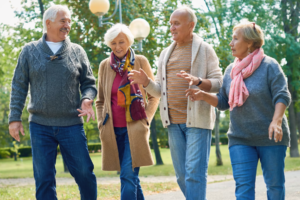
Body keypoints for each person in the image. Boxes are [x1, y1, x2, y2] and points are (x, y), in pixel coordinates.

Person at [185, 22, 291, 200]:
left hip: (271, 136)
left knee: (274, 186)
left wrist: (277, 120)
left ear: (249, 42)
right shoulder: (231, 71)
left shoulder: (269, 66)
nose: (231, 43)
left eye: (235, 39)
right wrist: (204, 95)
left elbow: (282, 95)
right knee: (243, 189)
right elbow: (224, 102)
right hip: (240, 138)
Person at [128, 6, 222, 200]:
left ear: (191, 25)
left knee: (194, 174)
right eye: (170, 24)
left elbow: (219, 83)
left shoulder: (205, 50)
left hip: (197, 122)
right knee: (181, 175)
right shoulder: (165, 54)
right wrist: (145, 82)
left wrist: (198, 82)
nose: (172, 28)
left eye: (176, 23)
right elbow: (160, 90)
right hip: (172, 122)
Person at [8, 5, 97, 200]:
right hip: (40, 125)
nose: (68, 25)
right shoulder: (29, 51)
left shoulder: (77, 51)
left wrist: (87, 98)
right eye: (63, 21)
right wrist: (14, 118)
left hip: (71, 124)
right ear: (48, 23)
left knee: (84, 173)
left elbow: (89, 83)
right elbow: (18, 86)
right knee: (44, 179)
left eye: (69, 21)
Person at [95, 23, 159, 200]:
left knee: (127, 176)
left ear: (129, 41)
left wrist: (146, 120)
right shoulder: (104, 66)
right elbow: (100, 101)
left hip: (135, 130)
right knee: (132, 179)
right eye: (113, 43)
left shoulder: (140, 62)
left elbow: (154, 95)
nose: (117, 47)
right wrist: (101, 123)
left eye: (121, 42)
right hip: (113, 132)